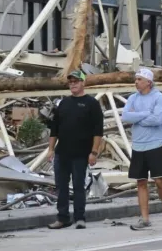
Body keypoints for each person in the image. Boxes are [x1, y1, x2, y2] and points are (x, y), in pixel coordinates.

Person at [47, 69, 104, 229]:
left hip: (81, 154)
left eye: (76, 81)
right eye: (71, 82)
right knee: (61, 186)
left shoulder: (91, 104)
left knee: (78, 186)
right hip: (62, 153)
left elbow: (98, 131)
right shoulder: (64, 103)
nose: (73, 84)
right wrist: (51, 149)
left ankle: (80, 217)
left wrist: (93, 152)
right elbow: (54, 128)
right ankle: (63, 218)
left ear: (83, 83)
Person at [122, 68, 162, 231]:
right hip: (138, 144)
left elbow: (157, 119)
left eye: (139, 79)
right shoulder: (132, 98)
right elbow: (125, 117)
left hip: (155, 143)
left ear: (148, 82)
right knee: (141, 182)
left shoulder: (159, 97)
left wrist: (137, 117)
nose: (136, 82)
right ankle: (145, 218)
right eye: (136, 79)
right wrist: (145, 114)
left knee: (159, 180)